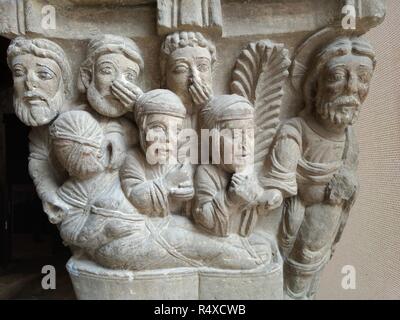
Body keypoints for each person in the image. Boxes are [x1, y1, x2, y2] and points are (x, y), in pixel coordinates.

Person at [262, 36, 376, 299]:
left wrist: (347, 185)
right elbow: (281, 185)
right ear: (314, 85)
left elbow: (348, 182)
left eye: (363, 78)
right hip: (293, 229)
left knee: (310, 287)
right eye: (337, 76)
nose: (352, 88)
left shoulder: (350, 138)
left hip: (325, 233)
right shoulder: (294, 130)